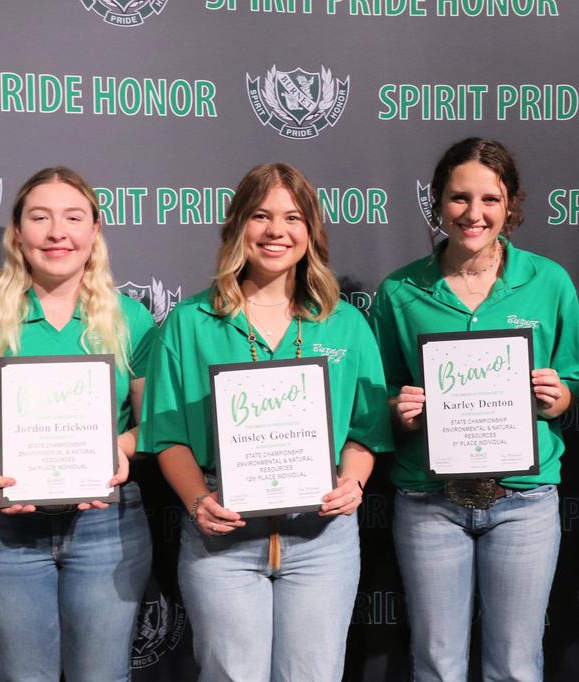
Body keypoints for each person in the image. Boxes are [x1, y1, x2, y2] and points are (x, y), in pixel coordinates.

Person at [139, 162, 392, 682]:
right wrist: (197, 502)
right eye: (261, 215)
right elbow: (168, 436)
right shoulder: (190, 322)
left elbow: (365, 430)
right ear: (237, 225)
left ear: (311, 230)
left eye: (293, 217)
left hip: (321, 538)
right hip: (223, 536)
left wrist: (353, 481)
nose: (277, 231)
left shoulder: (346, 323)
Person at [369, 137, 579, 681]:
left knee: (514, 665)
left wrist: (556, 396)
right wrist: (399, 408)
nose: (474, 213)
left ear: (510, 204)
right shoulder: (399, 291)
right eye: (459, 198)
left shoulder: (549, 281)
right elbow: (380, 393)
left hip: (524, 499)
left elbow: (574, 381)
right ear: (438, 203)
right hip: (429, 499)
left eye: (490, 199)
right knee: (437, 664)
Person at [0, 167, 156, 681]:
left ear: (94, 230)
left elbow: (156, 425)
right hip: (6, 529)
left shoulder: (131, 320)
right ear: (18, 232)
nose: (58, 233)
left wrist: (120, 448)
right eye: (40, 218)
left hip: (107, 525)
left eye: (73, 218)